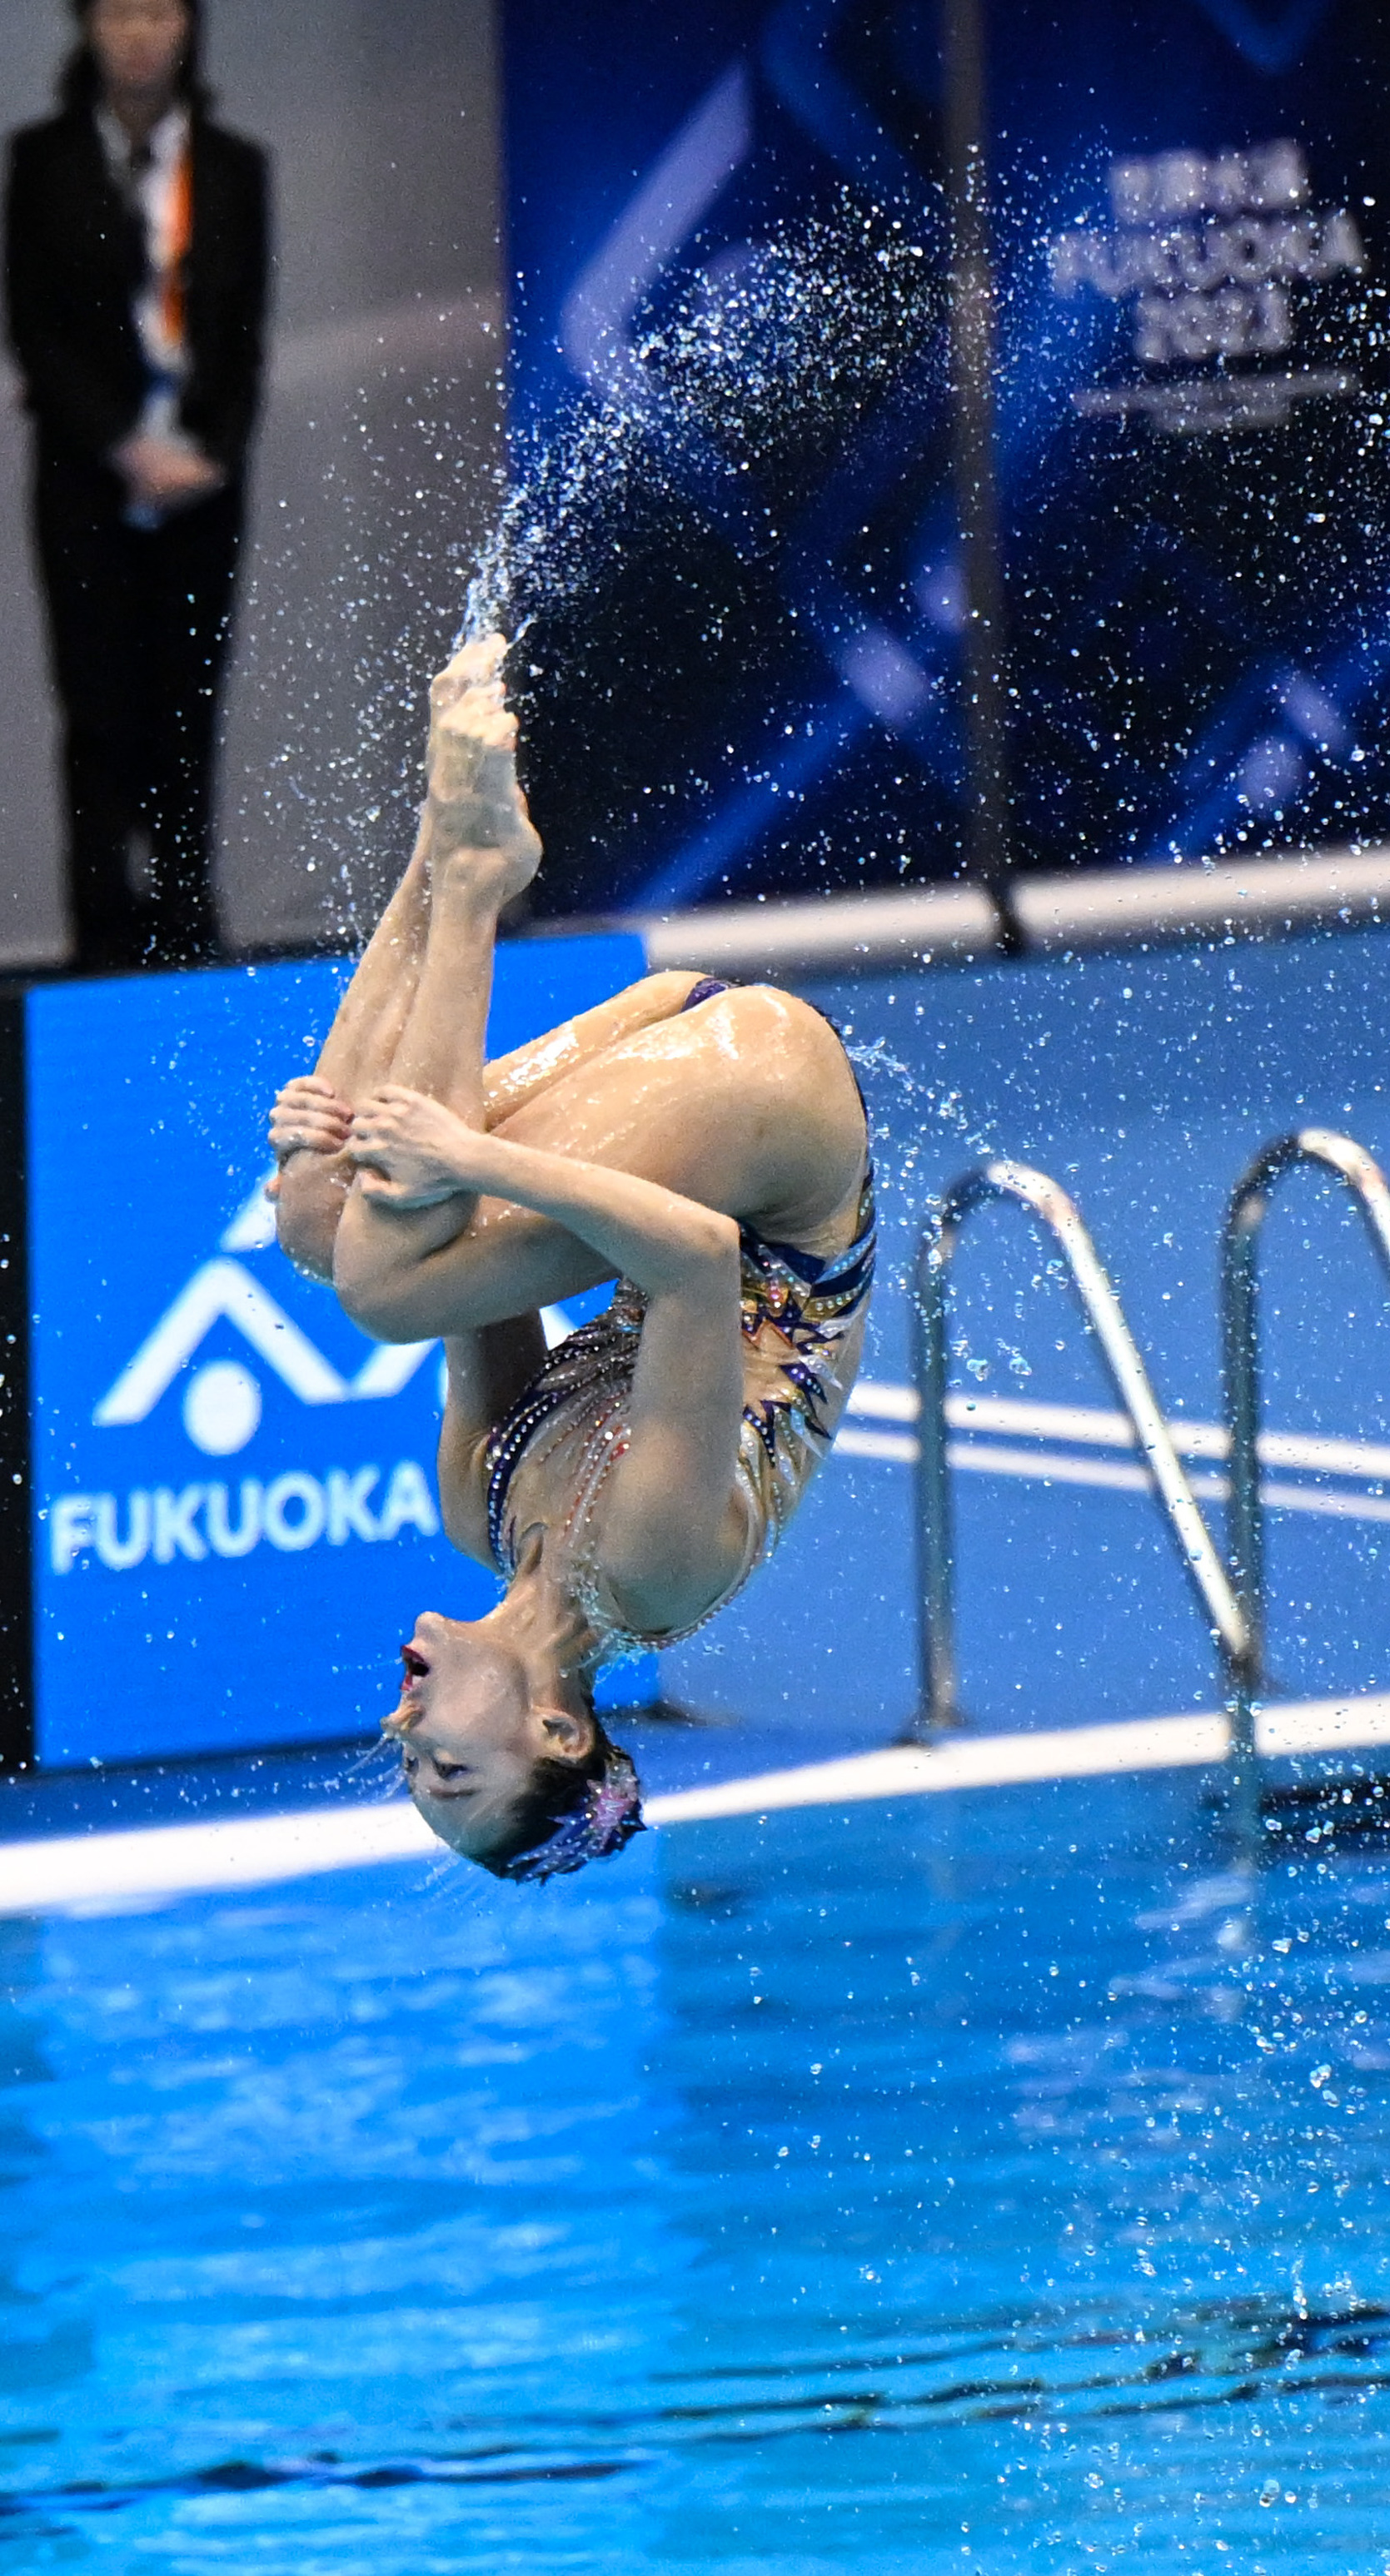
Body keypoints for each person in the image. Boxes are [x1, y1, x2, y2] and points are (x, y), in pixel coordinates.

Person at [267, 639, 876, 1884]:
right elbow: (701, 1261)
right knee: (382, 1276)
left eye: (408, 1764)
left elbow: (425, 1232)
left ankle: (439, 858)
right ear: (554, 1727)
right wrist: (462, 1161)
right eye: (447, 1766)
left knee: (324, 1221)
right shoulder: (652, 1575)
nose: (403, 1727)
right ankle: (476, 873)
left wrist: (358, 1156)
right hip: (775, 1129)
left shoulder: (478, 1504)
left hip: (680, 1069)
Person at [2, 0, 269, 969]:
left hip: (202, 488)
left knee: (189, 703)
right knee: (97, 708)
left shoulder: (235, 168)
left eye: (159, 10)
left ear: (191, 26)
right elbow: (34, 330)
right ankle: (102, 931)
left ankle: (190, 919)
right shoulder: (44, 161)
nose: (139, 33)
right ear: (85, 26)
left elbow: (244, 343)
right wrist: (123, 446)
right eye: (119, 11)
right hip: (87, 484)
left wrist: (211, 456)